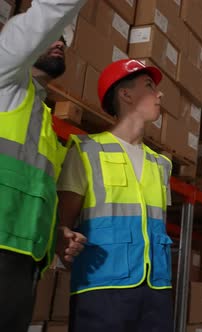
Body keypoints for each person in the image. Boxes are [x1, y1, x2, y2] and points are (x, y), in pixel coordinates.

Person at [57, 59, 174, 332]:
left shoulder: (161, 165)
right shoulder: (87, 151)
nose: (160, 94)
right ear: (126, 94)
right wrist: (62, 237)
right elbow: (62, 223)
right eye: (149, 86)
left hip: (156, 290)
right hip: (100, 290)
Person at [0, 1, 88, 331]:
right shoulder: (4, 81)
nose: (59, 41)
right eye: (53, 35)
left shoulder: (46, 127)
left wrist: (58, 235)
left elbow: (34, 196)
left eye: (64, 39)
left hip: (24, 267)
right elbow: (45, 16)